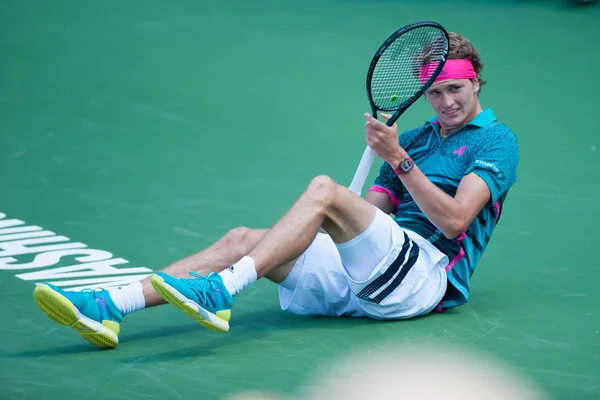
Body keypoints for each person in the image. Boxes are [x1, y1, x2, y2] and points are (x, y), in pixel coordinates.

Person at [33, 32, 519, 349]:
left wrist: (396, 158)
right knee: (242, 239)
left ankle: (221, 291)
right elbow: (371, 217)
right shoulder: (413, 137)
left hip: (423, 280)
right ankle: (109, 307)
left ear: (476, 83)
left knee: (324, 190)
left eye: (456, 89)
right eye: (435, 93)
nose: (445, 101)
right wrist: (359, 192)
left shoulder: (496, 140)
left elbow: (456, 220)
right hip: (375, 270)